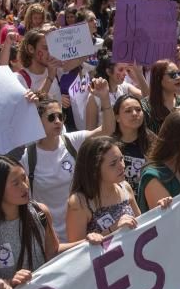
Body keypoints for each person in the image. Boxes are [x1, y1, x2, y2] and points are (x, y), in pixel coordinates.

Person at [20, 87, 116, 240]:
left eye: (61, 116)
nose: (58, 121)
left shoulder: (72, 141)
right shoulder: (27, 158)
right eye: (51, 117)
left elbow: (107, 129)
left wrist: (104, 97)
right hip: (50, 236)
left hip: (87, 229)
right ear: (38, 121)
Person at [0, 156, 59, 289]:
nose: (25, 186)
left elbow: (54, 251)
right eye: (16, 183)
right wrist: (8, 283)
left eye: (24, 177)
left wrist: (87, 242)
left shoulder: (40, 212)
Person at [65, 136, 141, 242]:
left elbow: (142, 225)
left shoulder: (125, 187)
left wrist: (161, 210)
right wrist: (113, 230)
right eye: (113, 164)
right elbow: (76, 252)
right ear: (94, 170)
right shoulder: (79, 202)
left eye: (121, 159)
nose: (122, 166)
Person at [111, 94, 155, 195]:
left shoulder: (153, 141)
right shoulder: (109, 146)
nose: (135, 114)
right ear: (117, 117)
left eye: (138, 110)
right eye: (128, 111)